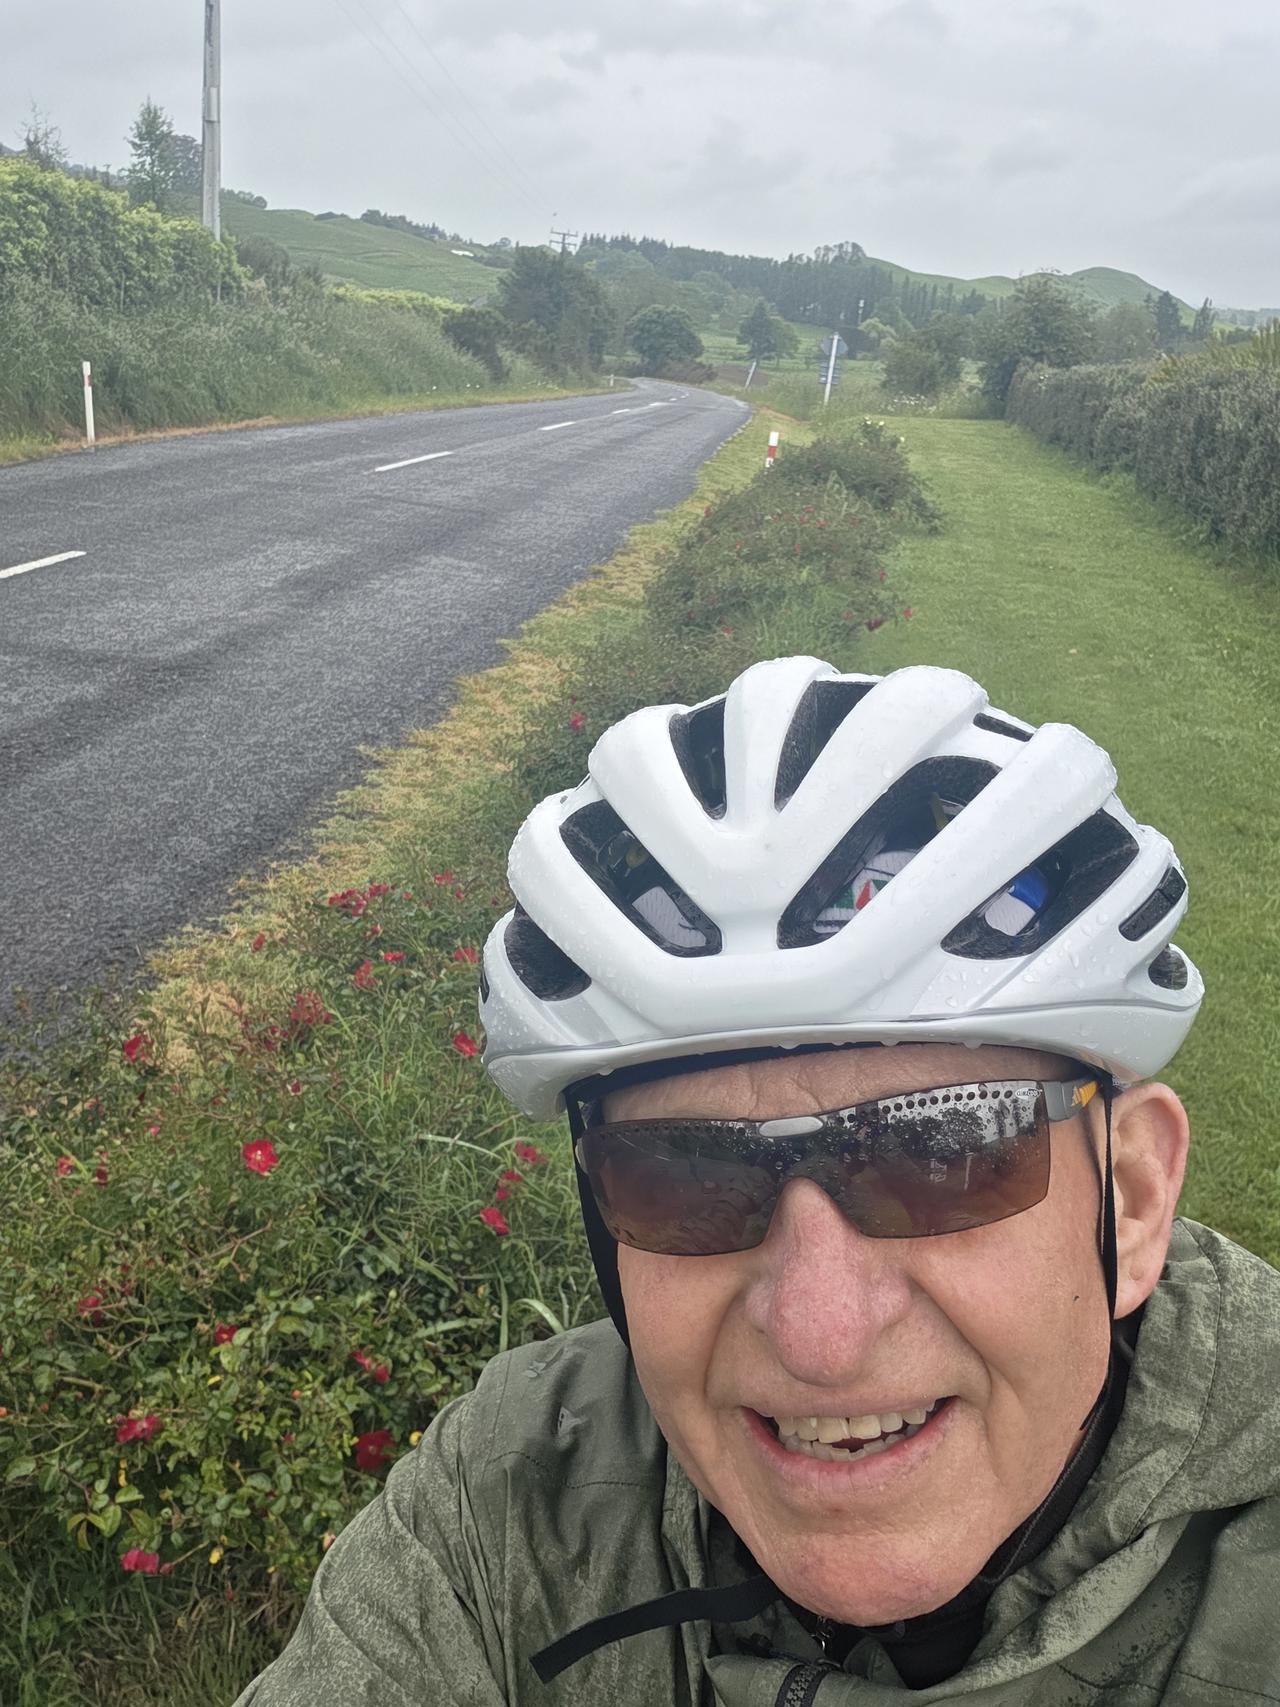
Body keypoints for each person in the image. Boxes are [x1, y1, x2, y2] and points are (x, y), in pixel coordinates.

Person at [235, 657, 1280, 1705]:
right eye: (684, 1179)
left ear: (1133, 1199)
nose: (821, 1339)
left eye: (939, 1157)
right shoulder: (508, 1503)